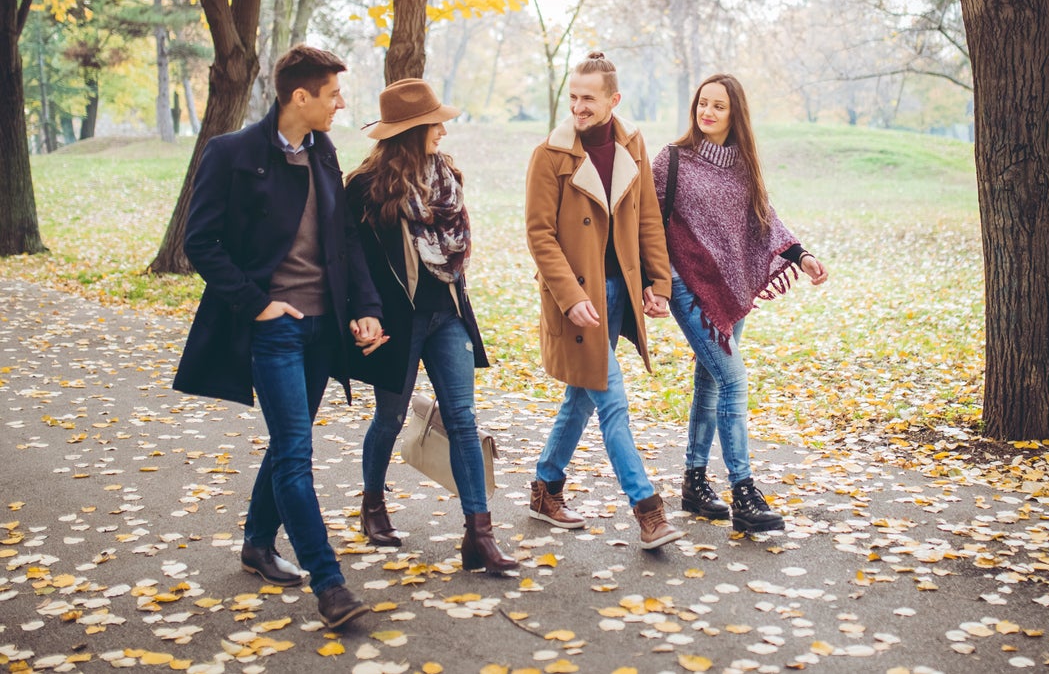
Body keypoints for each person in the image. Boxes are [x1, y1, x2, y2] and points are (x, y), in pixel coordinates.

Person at [173, 45, 386, 628]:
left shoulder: (324, 151)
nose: (341, 104)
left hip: (324, 332)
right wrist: (258, 305)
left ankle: (257, 544)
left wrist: (365, 307)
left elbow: (343, 240)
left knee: (288, 443)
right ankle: (331, 584)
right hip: (276, 332)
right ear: (301, 97)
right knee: (296, 453)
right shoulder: (232, 153)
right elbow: (201, 243)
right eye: (333, 94)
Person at [344, 79, 517, 574]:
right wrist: (363, 314)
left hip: (448, 316)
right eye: (434, 122)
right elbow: (353, 263)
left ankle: (478, 534)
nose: (443, 129)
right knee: (390, 418)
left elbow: (453, 254)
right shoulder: (365, 188)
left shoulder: (447, 176)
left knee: (462, 418)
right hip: (396, 324)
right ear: (411, 130)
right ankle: (373, 505)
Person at [653, 73, 829, 534]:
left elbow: (763, 218)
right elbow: (645, 223)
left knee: (710, 382)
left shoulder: (743, 166)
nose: (707, 112)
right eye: (702, 104)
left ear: (735, 114)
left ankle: (694, 481)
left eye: (718, 106)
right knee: (733, 380)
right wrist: (655, 281)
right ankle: (743, 491)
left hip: (729, 290)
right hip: (687, 285)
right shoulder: (671, 161)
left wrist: (802, 256)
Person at [524, 51, 684, 550]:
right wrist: (570, 297)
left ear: (613, 100)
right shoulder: (550, 155)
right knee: (611, 401)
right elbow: (540, 235)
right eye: (573, 97)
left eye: (588, 98)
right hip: (577, 297)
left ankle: (546, 487)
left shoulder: (631, 144)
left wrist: (658, 285)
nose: (578, 106)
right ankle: (648, 509)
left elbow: (648, 220)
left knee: (582, 394)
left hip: (619, 294)